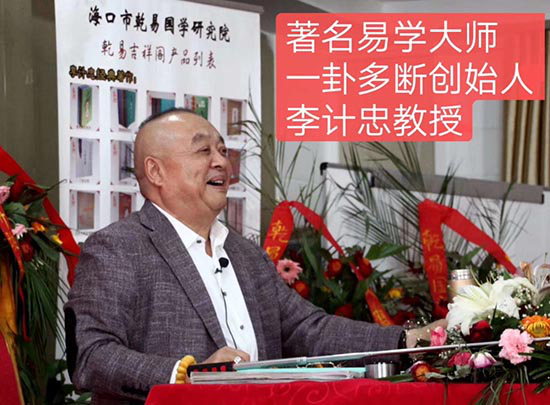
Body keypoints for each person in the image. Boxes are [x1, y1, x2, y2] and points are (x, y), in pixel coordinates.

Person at [65, 108, 445, 404]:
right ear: (156, 171)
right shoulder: (118, 248)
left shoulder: (246, 254)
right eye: (203, 150)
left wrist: (407, 341)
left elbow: (310, 330)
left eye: (222, 150)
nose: (221, 162)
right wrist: (187, 374)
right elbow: (91, 357)